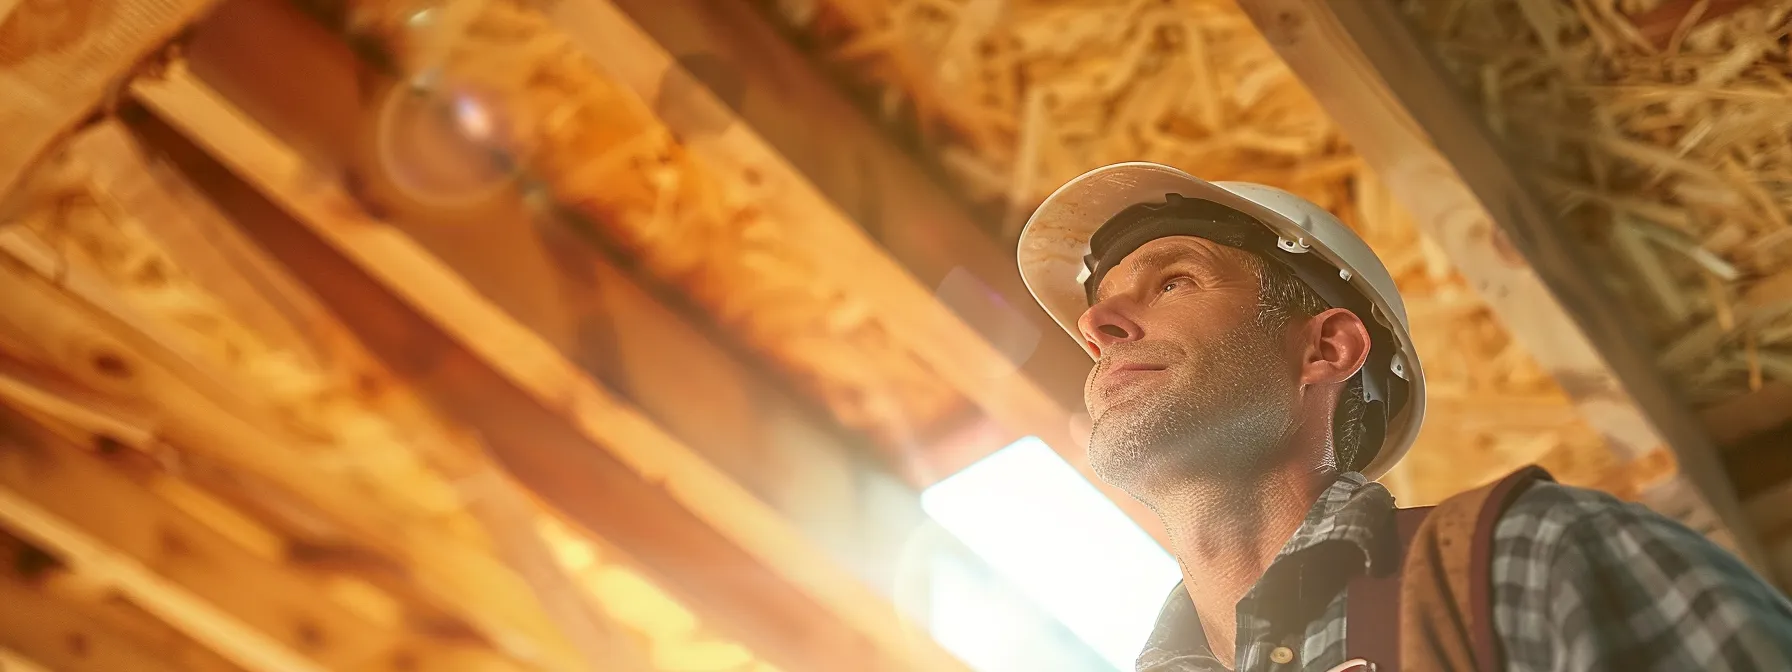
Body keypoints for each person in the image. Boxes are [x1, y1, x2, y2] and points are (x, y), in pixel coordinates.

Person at [1013, 162, 1792, 671]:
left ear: (1327, 348)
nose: (1099, 327)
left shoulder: (1529, 561)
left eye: (1174, 282)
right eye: (1097, 314)